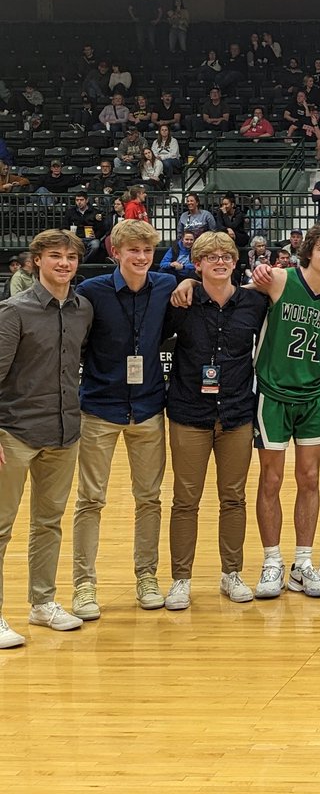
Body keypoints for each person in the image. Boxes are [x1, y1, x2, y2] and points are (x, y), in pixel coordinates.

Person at [70, 220, 176, 620]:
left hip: (149, 407)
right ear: (115, 252)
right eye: (133, 250)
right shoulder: (91, 291)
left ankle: (146, 577)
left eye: (147, 251)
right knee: (90, 500)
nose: (142, 257)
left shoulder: (166, 285)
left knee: (149, 499)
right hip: (99, 408)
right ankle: (84, 585)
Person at [160, 231, 270, 609]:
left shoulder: (254, 302)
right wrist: (185, 282)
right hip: (189, 413)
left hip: (237, 414)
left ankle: (232, 573)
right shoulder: (181, 301)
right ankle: (180, 579)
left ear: (235, 262)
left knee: (233, 498)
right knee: (185, 501)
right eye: (211, 256)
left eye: (226, 255)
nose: (220, 261)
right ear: (198, 263)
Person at [246, 221, 320, 599]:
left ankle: (303, 563)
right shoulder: (278, 279)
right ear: (309, 251)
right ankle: (272, 560)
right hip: (273, 393)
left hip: (314, 394)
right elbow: (227, 291)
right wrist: (188, 283)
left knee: (309, 478)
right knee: (271, 480)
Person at [0, 230, 93, 646]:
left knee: (48, 523)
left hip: (63, 433)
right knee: (1, 528)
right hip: (14, 433)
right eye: (54, 256)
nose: (64, 264)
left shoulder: (83, 309)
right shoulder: (12, 312)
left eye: (71, 257)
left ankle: (42, 604)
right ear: (36, 260)